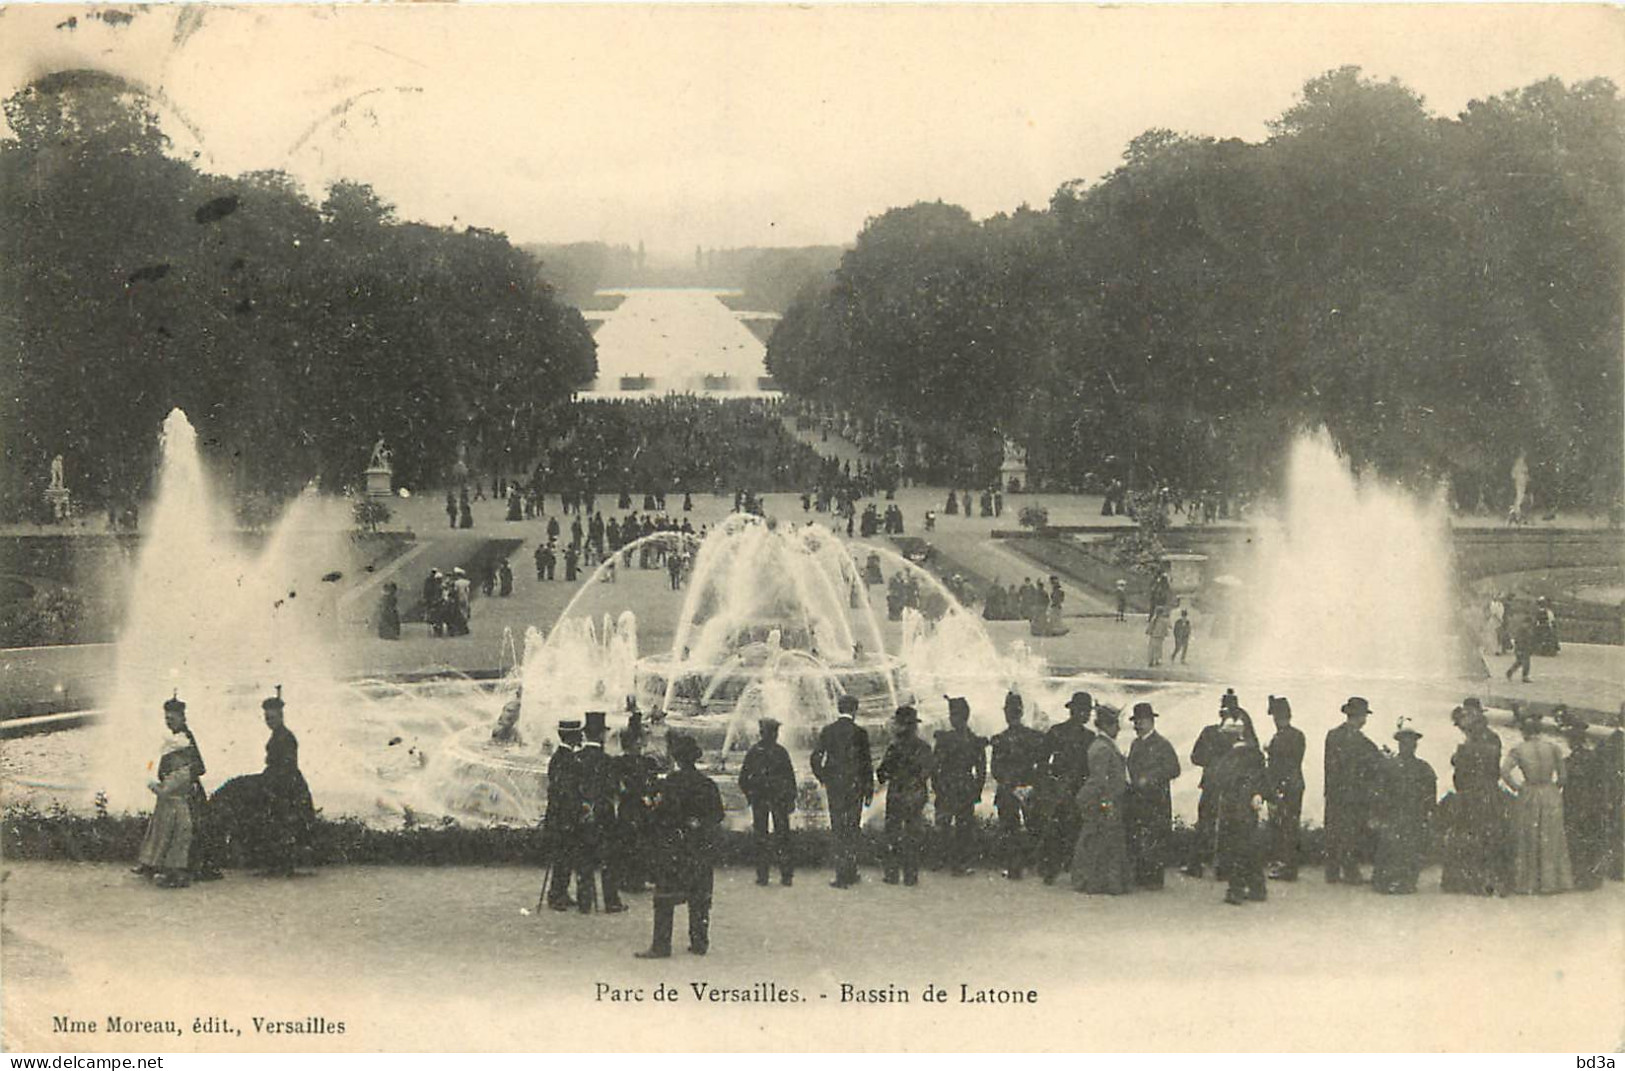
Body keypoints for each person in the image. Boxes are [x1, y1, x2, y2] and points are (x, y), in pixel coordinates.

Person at [637, 733, 724, 959]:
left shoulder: (670, 784)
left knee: (665, 896)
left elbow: (660, 816)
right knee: (700, 897)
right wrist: (698, 824)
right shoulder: (707, 784)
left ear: (676, 758)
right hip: (699, 847)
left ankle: (661, 945)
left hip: (674, 847)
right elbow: (718, 815)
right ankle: (699, 941)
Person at [1440, 700, 1508, 896]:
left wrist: (1460, 757)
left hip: (1477, 791)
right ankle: (1476, 879)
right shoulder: (1483, 737)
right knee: (1477, 834)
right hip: (1477, 791)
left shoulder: (1484, 738)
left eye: (1470, 715)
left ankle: (1474, 880)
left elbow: (1485, 764)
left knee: (1476, 834)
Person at [1501, 711, 1574, 894]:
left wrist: (1517, 788)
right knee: (1550, 836)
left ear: (1523, 732)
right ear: (1540, 731)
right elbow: (1564, 776)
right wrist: (1555, 787)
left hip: (1530, 792)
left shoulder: (1519, 749)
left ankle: (1529, 882)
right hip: (1549, 792)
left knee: (1529, 836)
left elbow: (1504, 771)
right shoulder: (1552, 748)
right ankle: (1552, 882)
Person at [810, 693, 874, 888]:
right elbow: (866, 764)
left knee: (838, 828)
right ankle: (852, 871)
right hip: (855, 787)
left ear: (839, 709)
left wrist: (824, 778)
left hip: (835, 787)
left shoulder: (828, 731)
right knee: (852, 828)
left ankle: (840, 875)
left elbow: (815, 758)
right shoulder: (860, 733)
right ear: (854, 710)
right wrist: (869, 789)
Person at [1210, 707, 1268, 905]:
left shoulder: (1233, 756)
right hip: (1246, 805)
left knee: (1235, 846)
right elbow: (1262, 778)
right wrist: (1258, 794)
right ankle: (1257, 887)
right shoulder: (1254, 753)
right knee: (1248, 846)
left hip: (1233, 805)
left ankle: (1236, 889)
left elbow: (1221, 779)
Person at [1372, 719, 1437, 895]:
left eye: (1412, 742)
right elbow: (1379, 792)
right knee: (1390, 846)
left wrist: (1429, 814)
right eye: (1404, 742)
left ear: (1416, 745)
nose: (1408, 746)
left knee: (1410, 847)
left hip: (1413, 815)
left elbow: (1430, 795)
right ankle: (1385, 881)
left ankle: (1406, 881)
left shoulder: (1423, 768)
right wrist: (1378, 814)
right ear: (1399, 744)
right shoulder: (1388, 766)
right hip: (1393, 814)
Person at [1324, 696, 1383, 885]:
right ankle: (1351, 872)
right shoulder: (1361, 740)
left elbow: (1329, 766)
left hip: (1334, 791)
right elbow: (1376, 762)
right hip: (1353, 794)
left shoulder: (1333, 735)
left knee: (1333, 830)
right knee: (1350, 832)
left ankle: (1332, 871)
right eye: (1364, 715)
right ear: (1360, 717)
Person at [1072, 706, 1130, 895]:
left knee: (1100, 842)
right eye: (1116, 725)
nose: (1119, 729)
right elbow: (1098, 780)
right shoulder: (1103, 748)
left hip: (1106, 800)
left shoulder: (1104, 745)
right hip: (1105, 801)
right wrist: (1104, 802)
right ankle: (1100, 883)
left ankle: (1097, 883)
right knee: (1104, 843)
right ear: (1107, 725)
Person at [1038, 691, 1095, 883]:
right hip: (1070, 786)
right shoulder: (1086, 736)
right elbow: (1043, 761)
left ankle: (1053, 869)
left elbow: (1042, 762)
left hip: (1067, 786)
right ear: (1075, 711)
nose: (1087, 715)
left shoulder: (1060, 731)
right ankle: (1062, 868)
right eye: (1084, 711)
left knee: (1059, 829)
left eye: (1087, 711)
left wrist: (1048, 784)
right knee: (1068, 829)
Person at [258, 689, 316, 877]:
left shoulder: (286, 737)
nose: (269, 721)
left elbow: (287, 764)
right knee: (278, 823)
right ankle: (279, 863)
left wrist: (274, 782)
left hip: (288, 784)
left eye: (272, 717)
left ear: (281, 716)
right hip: (278, 780)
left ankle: (284, 865)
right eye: (267, 718)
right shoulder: (278, 735)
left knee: (285, 822)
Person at [573, 711, 626, 914]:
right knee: (609, 860)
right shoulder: (608, 761)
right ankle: (611, 901)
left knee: (583, 858)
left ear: (585, 734)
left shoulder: (576, 758)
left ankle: (584, 902)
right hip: (604, 815)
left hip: (582, 813)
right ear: (602, 735)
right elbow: (615, 789)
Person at [990, 692, 1046, 880]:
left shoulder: (999, 739)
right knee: (1033, 828)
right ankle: (1034, 864)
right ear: (1021, 712)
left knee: (1010, 830)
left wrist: (1011, 784)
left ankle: (1015, 868)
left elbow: (996, 769)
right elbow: (1042, 766)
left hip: (1007, 789)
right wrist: (1030, 784)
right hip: (1029, 789)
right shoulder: (1035, 737)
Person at [1125, 702, 1181, 889]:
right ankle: (1141, 875)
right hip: (1137, 798)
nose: (1137, 725)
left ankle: (1155, 879)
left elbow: (1174, 769)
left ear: (1151, 722)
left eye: (1141, 721)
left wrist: (1150, 778)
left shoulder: (1162, 744)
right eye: (1135, 722)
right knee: (1138, 835)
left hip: (1156, 799)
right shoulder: (1135, 744)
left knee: (1156, 836)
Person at [877, 706, 933, 887]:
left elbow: (882, 773)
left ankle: (892, 874)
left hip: (897, 794)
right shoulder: (924, 747)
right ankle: (911, 875)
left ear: (900, 725)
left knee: (893, 834)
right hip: (916, 794)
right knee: (913, 835)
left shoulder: (895, 747)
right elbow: (928, 771)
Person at [931, 696, 987, 877]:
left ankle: (940, 859)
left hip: (947, 785)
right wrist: (977, 790)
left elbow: (934, 766)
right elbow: (981, 770)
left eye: (953, 715)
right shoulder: (975, 741)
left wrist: (937, 786)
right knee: (963, 827)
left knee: (944, 824)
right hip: (965, 785)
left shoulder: (944, 739)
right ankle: (959, 863)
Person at [134, 729, 197, 888]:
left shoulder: (181, 773)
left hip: (175, 809)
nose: (171, 760)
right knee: (166, 838)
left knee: (175, 840)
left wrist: (150, 784)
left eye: (174, 757)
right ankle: (163, 869)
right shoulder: (180, 771)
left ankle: (174, 874)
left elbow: (164, 790)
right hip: (170, 809)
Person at [739, 717, 797, 887]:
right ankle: (785, 875)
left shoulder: (754, 752)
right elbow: (790, 778)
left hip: (761, 800)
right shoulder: (780, 752)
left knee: (762, 837)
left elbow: (743, 779)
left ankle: (763, 875)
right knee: (782, 836)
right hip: (777, 800)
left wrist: (750, 796)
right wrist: (791, 798)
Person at [1557, 711, 1608, 890]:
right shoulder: (1594, 758)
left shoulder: (1568, 761)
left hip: (1574, 803)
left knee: (1575, 839)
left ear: (1571, 742)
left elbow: (1562, 783)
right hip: (1592, 803)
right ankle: (1592, 877)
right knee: (1590, 837)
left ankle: (1578, 876)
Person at [613, 713, 660, 893]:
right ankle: (632, 878)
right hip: (634, 806)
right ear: (636, 742)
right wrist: (644, 796)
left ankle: (635, 877)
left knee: (637, 842)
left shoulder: (646, 762)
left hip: (636, 806)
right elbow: (620, 787)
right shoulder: (626, 763)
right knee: (634, 841)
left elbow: (653, 784)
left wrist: (653, 795)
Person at [1184, 699, 1232, 878]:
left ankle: (1197, 864)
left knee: (1206, 823)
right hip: (1227, 786)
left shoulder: (1209, 732)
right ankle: (1220, 867)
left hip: (1212, 783)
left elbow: (1196, 757)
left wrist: (1211, 762)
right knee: (1222, 824)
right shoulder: (1241, 735)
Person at [543, 719, 583, 910]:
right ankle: (555, 895)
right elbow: (563, 791)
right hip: (563, 817)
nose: (582, 736)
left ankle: (561, 892)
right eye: (579, 733)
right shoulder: (565, 759)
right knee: (562, 856)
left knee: (566, 857)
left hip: (561, 816)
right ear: (572, 736)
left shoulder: (560, 758)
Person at [1264, 696, 1305, 881]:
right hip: (1294, 784)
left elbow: (1278, 766)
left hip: (1284, 786)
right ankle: (1289, 865)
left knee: (1282, 826)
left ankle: (1284, 865)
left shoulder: (1280, 738)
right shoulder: (1297, 735)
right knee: (1290, 825)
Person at [1505, 613, 1535, 682]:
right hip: (1522, 649)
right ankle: (1524, 676)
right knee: (1525, 662)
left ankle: (1510, 672)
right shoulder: (1521, 631)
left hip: (1525, 648)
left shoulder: (1527, 630)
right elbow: (1519, 640)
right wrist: (1519, 649)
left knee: (1519, 662)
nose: (1528, 626)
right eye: (1528, 624)